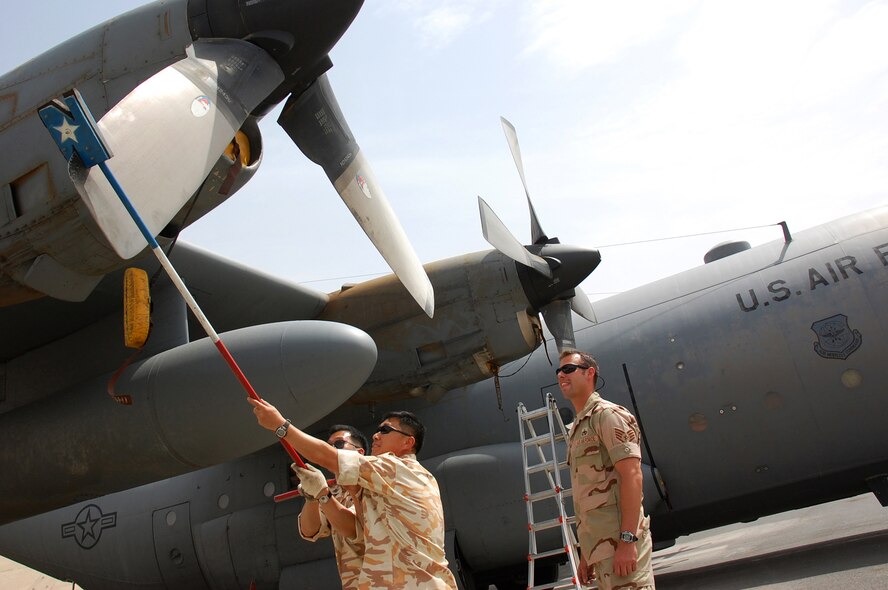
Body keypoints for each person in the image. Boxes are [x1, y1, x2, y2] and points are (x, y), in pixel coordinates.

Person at [248, 398, 458, 589]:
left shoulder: (397, 468)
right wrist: (318, 495)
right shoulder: (372, 488)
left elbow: (326, 457)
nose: (376, 435)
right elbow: (320, 529)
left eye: (385, 430)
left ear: (408, 442)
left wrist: (280, 426)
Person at [557, 349, 655, 590]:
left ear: (589, 373)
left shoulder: (608, 416)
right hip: (601, 552)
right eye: (558, 371)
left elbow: (632, 476)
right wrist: (587, 555)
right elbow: (588, 496)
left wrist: (627, 541)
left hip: (621, 546)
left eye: (568, 369)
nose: (561, 375)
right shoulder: (580, 426)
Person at [295, 424, 369, 590]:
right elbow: (310, 530)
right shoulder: (334, 492)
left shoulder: (372, 482)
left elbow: (352, 527)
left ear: (359, 452)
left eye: (338, 444)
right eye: (328, 446)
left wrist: (322, 494)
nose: (331, 449)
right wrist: (311, 497)